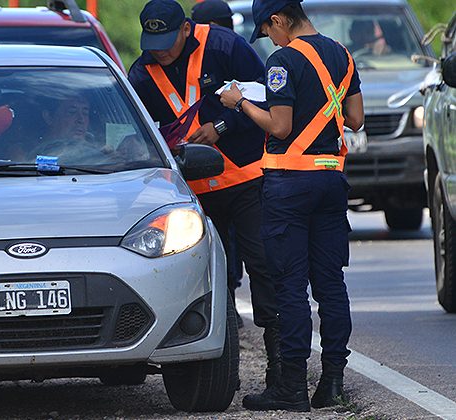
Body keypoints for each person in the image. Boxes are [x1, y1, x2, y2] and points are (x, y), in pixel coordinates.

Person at [219, 0, 364, 411]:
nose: (269, 40)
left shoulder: (282, 59)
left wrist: (240, 103)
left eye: (267, 31)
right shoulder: (342, 54)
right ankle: (333, 381)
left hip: (289, 187)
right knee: (331, 284)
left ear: (278, 20)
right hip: (331, 181)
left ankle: (292, 387)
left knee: (289, 287)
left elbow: (279, 126)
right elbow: (355, 119)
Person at [129, 0, 280, 390]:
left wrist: (220, 127)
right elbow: (137, 132)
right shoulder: (142, 73)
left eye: (166, 40)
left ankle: (281, 368)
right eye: (152, 41)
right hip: (193, 195)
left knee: (264, 266)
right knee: (208, 279)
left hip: (246, 180)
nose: (159, 50)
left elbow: (267, 96)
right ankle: (216, 368)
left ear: (185, 29)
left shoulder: (226, 48)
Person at [191, 0, 246, 328]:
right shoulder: (187, 64)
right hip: (199, 175)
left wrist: (222, 127)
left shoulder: (238, 59)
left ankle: (228, 301)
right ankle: (222, 302)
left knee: (233, 240)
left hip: (239, 173)